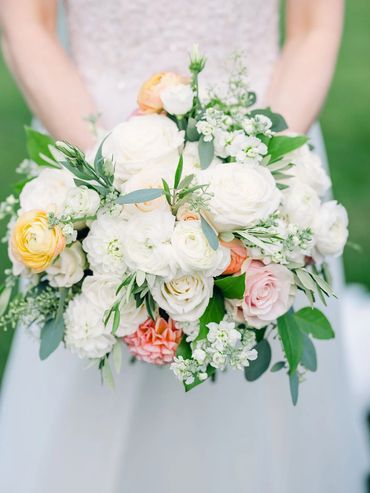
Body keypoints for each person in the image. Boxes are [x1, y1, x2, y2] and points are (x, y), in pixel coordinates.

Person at [0, 1, 368, 492]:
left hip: (266, 136)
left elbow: (314, 28)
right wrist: (111, 185)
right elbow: (25, 23)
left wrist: (258, 179)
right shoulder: (100, 161)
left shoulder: (261, 165)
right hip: (89, 129)